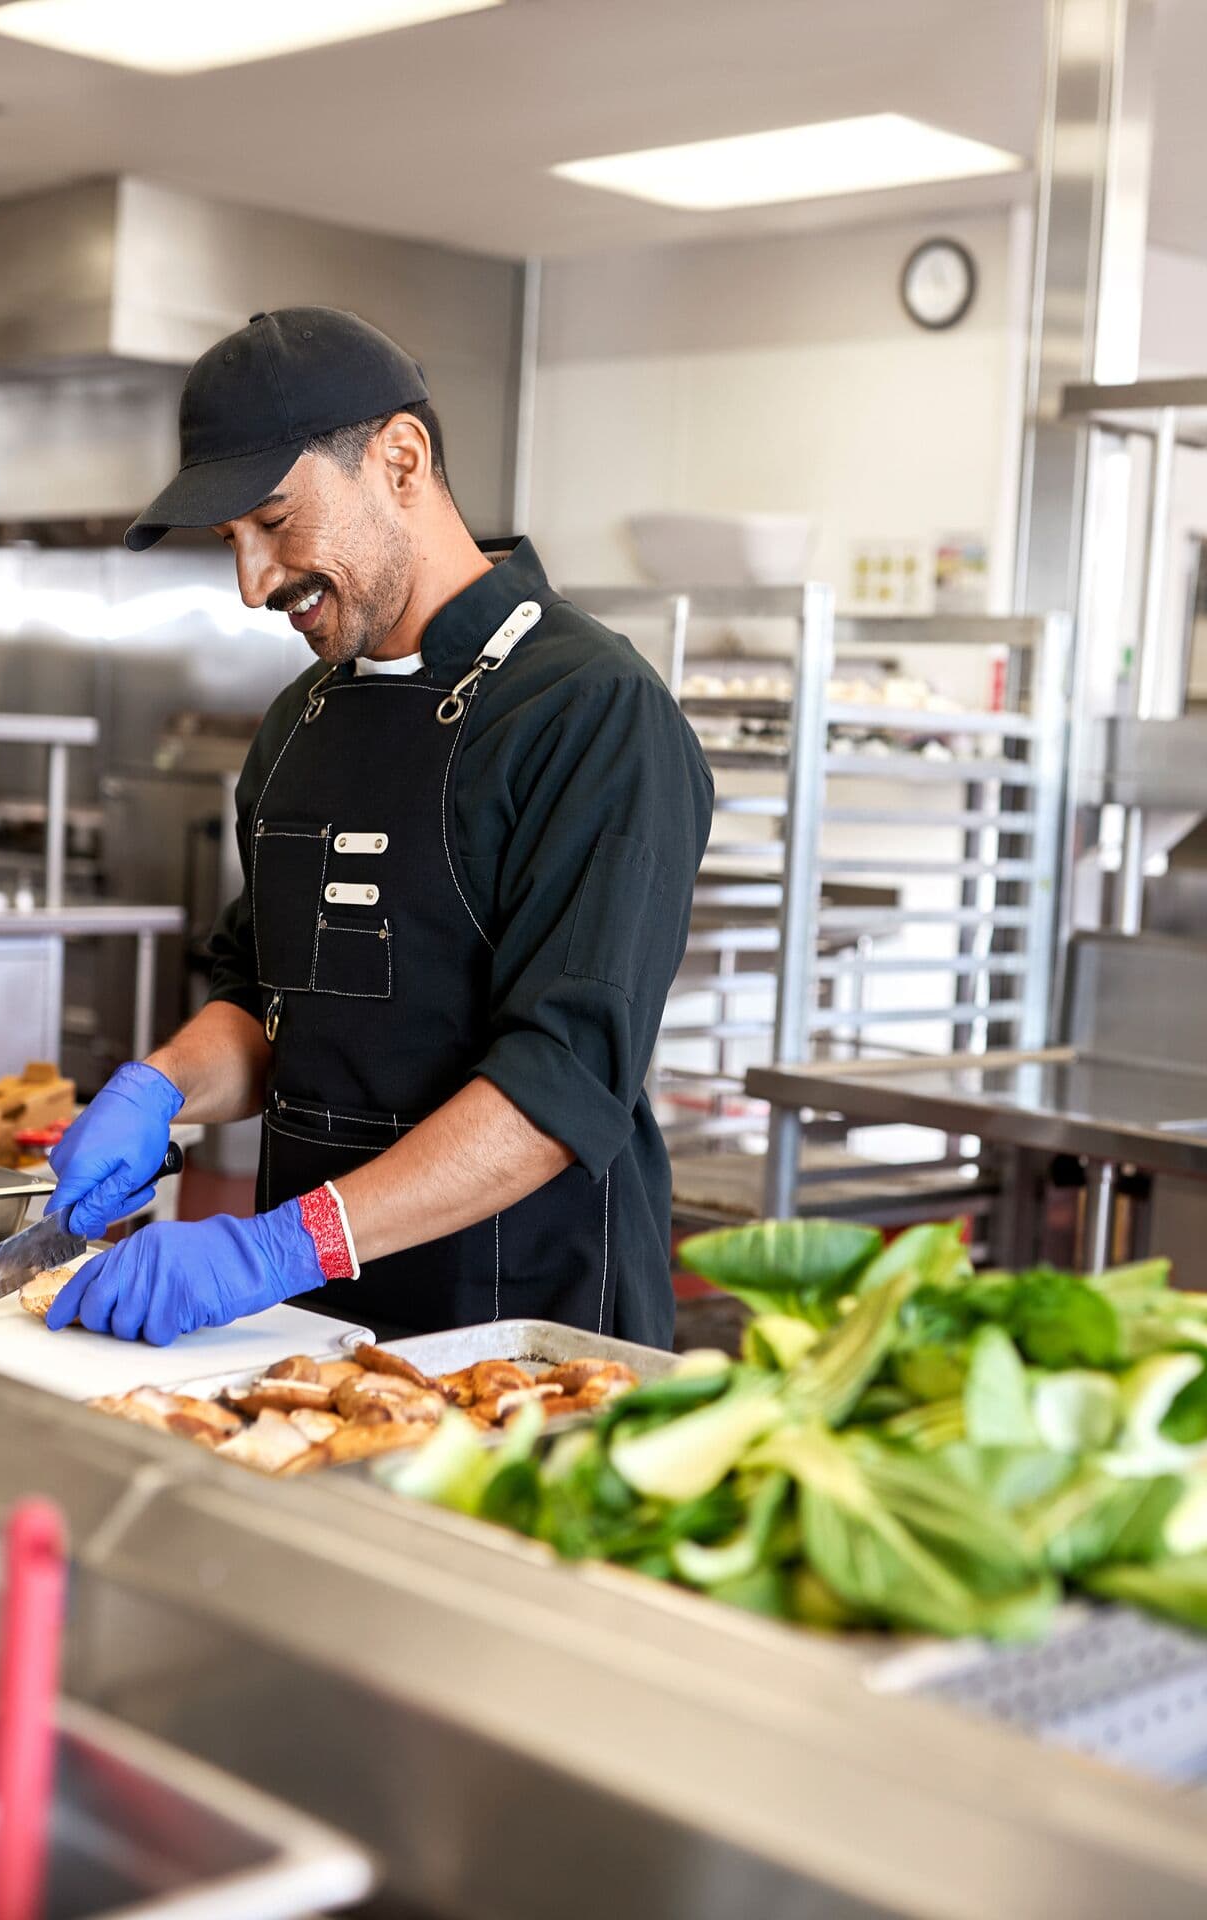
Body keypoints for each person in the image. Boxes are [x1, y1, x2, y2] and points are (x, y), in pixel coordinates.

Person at [39, 307, 713, 1349]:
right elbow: (262, 1004)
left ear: (401, 459)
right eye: (231, 542)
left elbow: (558, 1087)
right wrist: (162, 1085)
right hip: (305, 1325)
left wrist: (271, 1249)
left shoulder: (590, 712)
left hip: (524, 1334)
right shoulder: (298, 724)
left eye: (273, 522)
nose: (252, 583)